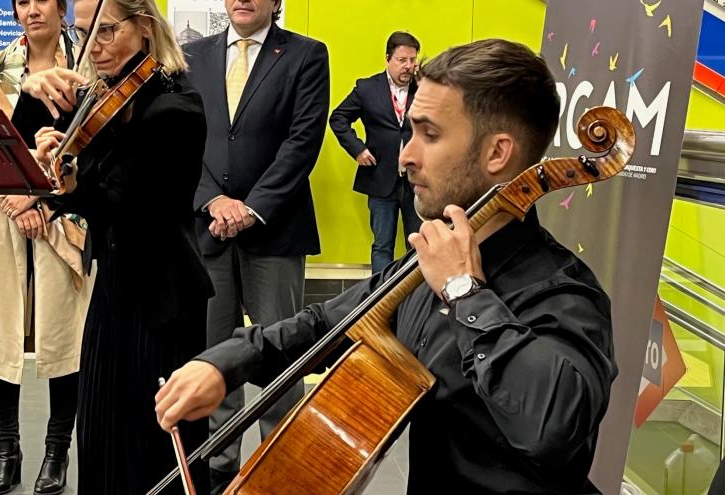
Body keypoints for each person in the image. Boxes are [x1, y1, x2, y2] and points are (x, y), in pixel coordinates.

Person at [156, 38, 619, 494]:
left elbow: (552, 427)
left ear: (497, 154)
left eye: (430, 134)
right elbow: (324, 324)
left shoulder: (563, 292)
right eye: (411, 131)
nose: (406, 156)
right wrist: (222, 363)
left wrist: (464, 292)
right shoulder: (422, 270)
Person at [24, 0, 214, 492]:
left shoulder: (174, 106)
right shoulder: (103, 96)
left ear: (145, 26)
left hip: (163, 298)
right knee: (104, 432)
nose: (96, 47)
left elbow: (134, 209)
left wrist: (71, 186)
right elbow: (29, 136)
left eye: (106, 31)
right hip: (114, 288)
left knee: (152, 444)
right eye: (85, 32)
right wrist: (34, 97)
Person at [181, 0, 330, 489]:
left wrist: (249, 208)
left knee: (280, 356)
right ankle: (218, 468)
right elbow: (184, 139)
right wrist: (213, 201)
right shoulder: (192, 56)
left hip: (274, 229)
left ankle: (277, 466)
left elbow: (302, 142)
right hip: (208, 230)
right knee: (215, 355)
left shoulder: (307, 55)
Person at [0, 1, 91, 494]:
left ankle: (57, 452)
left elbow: (90, 147)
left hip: (65, 212)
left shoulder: (85, 67)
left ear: (63, 8)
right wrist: (16, 202)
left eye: (42, 0)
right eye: (22, 1)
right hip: (0, 212)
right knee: (0, 330)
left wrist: (41, 199)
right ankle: (6, 451)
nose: (31, 9)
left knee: (65, 334)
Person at [329, 31, 422, 274]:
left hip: (418, 181)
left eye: (413, 60)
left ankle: (419, 301)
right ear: (388, 59)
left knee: (421, 244)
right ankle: (381, 299)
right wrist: (357, 149)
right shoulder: (367, 88)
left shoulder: (426, 88)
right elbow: (338, 118)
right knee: (382, 245)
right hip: (380, 179)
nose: (409, 67)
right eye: (402, 60)